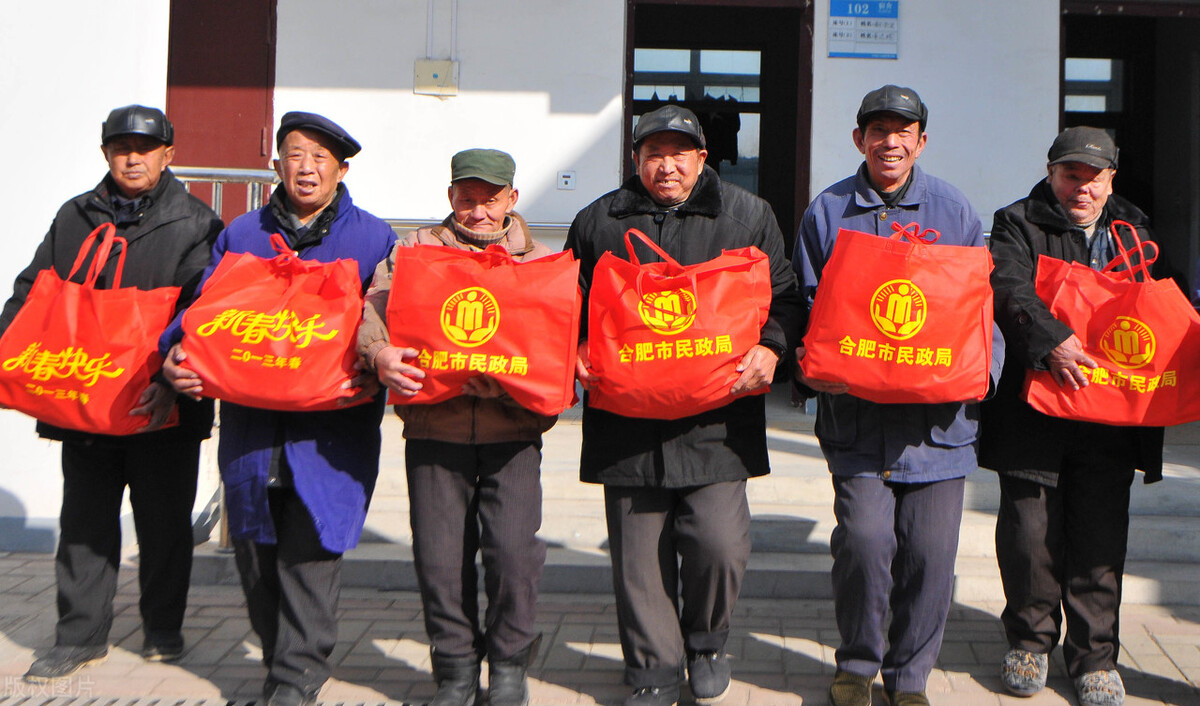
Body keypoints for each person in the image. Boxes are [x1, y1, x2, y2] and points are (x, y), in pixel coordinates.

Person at [566, 104, 802, 706]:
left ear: (702, 157)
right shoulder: (599, 221)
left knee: (718, 545)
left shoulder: (747, 215)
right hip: (627, 419)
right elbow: (565, 304)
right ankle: (654, 669)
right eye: (653, 154)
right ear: (636, 159)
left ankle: (707, 643)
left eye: (679, 152)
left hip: (717, 420)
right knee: (639, 558)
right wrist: (574, 350)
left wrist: (773, 350)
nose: (666, 165)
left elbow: (786, 297)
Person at [159, 112, 396, 706]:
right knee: (255, 551)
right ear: (277, 164)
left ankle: (297, 675)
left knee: (311, 547)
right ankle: (278, 656)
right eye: (295, 154)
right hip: (252, 424)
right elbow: (201, 307)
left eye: (320, 157)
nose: (307, 167)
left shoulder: (373, 238)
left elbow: (392, 318)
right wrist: (176, 352)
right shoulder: (241, 234)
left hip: (331, 430)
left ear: (342, 170)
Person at [792, 85, 1001, 706]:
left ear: (921, 142)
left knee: (931, 557)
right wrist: (810, 360)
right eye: (878, 130)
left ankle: (909, 679)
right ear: (859, 139)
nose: (891, 141)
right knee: (863, 544)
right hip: (858, 420)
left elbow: (979, 305)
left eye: (903, 131)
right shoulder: (828, 210)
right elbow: (808, 302)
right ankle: (857, 665)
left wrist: (985, 370)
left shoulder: (953, 209)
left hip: (937, 423)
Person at [2, 105, 222, 682]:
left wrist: (172, 384)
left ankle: (163, 629)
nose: (133, 156)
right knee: (84, 523)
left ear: (168, 155)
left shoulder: (197, 222)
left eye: (146, 148)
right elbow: (32, 292)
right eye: (121, 146)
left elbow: (205, 313)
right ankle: (77, 636)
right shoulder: (74, 215)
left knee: (164, 522)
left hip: (160, 402)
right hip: (85, 401)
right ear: (105, 153)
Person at [356, 148, 552, 706]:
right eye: (467, 200)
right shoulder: (413, 252)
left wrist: (518, 385)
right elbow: (371, 310)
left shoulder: (539, 262)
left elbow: (549, 345)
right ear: (451, 199)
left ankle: (510, 665)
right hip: (433, 427)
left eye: (491, 200)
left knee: (514, 556)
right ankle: (456, 668)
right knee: (440, 559)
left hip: (512, 431)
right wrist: (379, 354)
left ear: (512, 200)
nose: (479, 212)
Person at [980, 127, 1163, 706]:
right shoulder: (1017, 222)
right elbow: (1008, 289)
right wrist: (1053, 342)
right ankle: (1030, 645)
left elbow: (1154, 305)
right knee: (1030, 537)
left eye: (1094, 177)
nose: (1081, 189)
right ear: (1052, 172)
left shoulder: (1135, 228)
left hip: (1108, 417)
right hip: (1036, 407)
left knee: (1100, 537)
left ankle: (1095, 658)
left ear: (1112, 178)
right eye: (1070, 176)